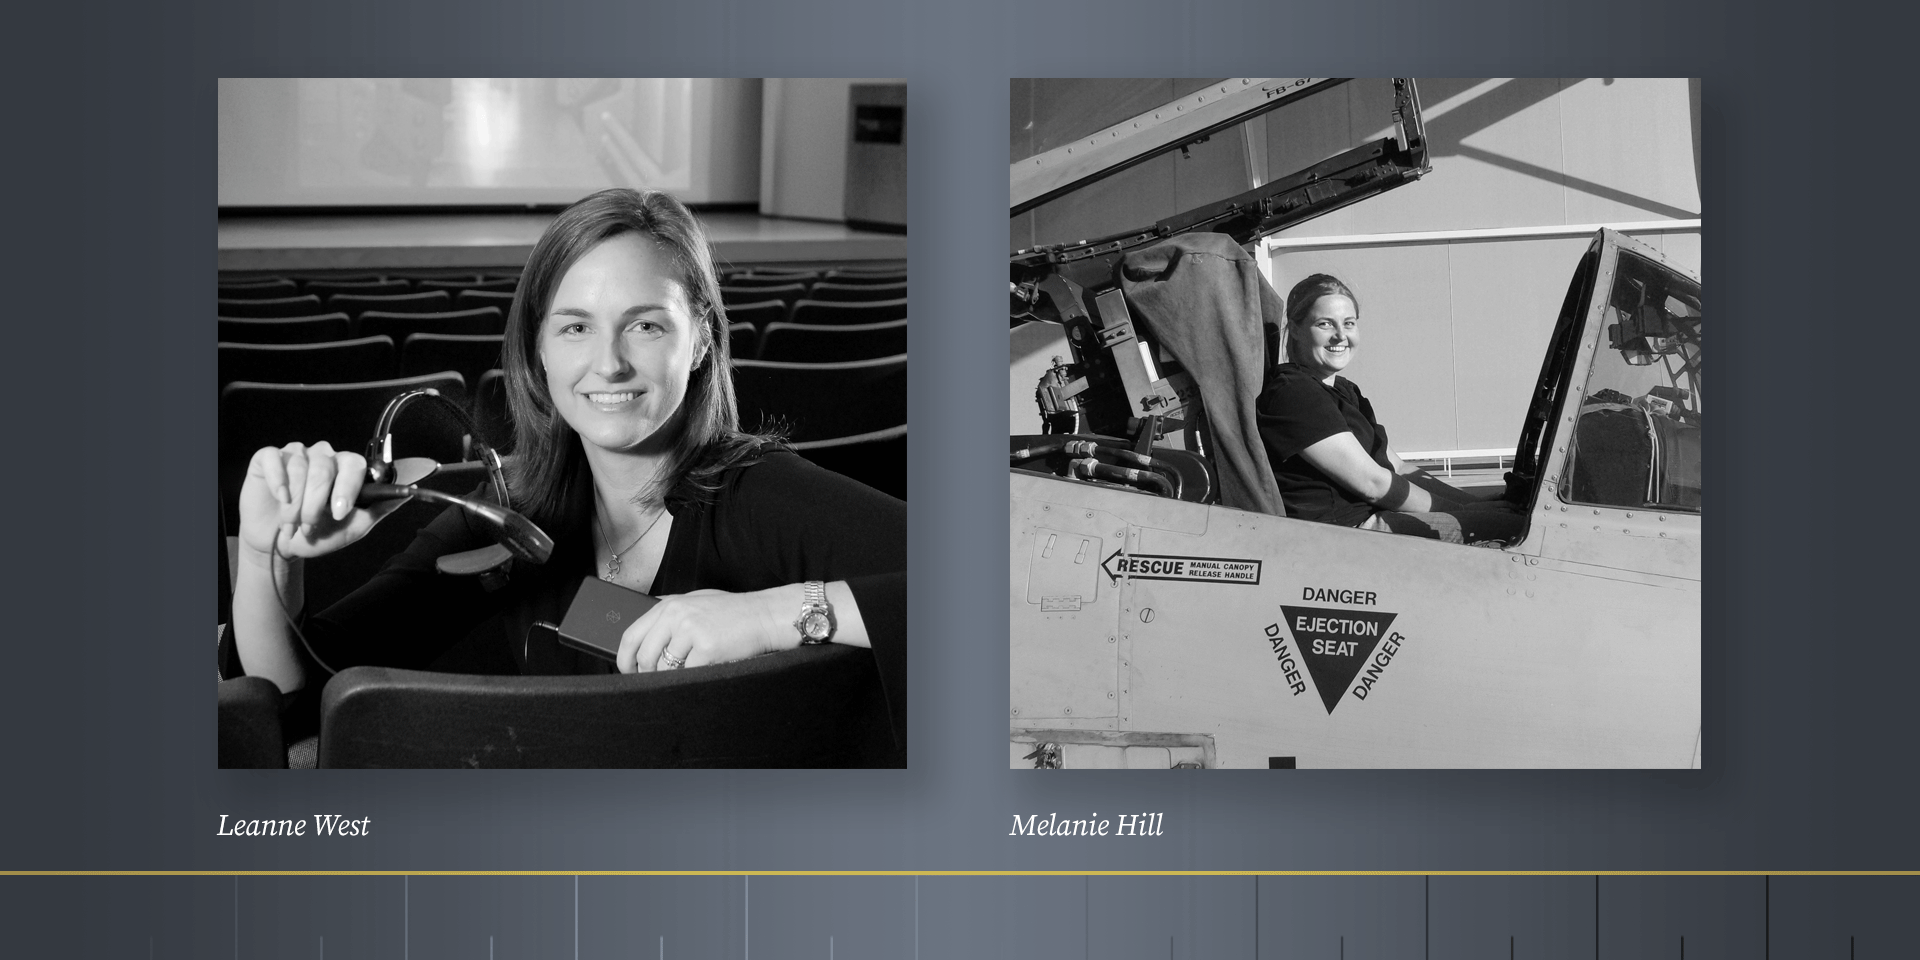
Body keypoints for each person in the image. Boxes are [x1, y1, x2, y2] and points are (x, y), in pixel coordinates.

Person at [225, 188, 905, 746]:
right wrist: (265, 559)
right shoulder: (506, 521)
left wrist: (777, 615)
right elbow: (301, 693)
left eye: (646, 325)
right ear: (538, 349)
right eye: (576, 327)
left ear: (699, 340)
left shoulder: (760, 495)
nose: (608, 363)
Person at [1255, 273, 1524, 545]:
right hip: (1346, 533)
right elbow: (1372, 484)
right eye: (1325, 324)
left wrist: (1475, 502)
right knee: (1521, 531)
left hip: (1373, 518)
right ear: (1297, 329)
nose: (1340, 335)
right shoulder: (1293, 394)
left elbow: (1398, 467)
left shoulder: (1345, 391)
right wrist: (1465, 512)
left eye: (1349, 323)